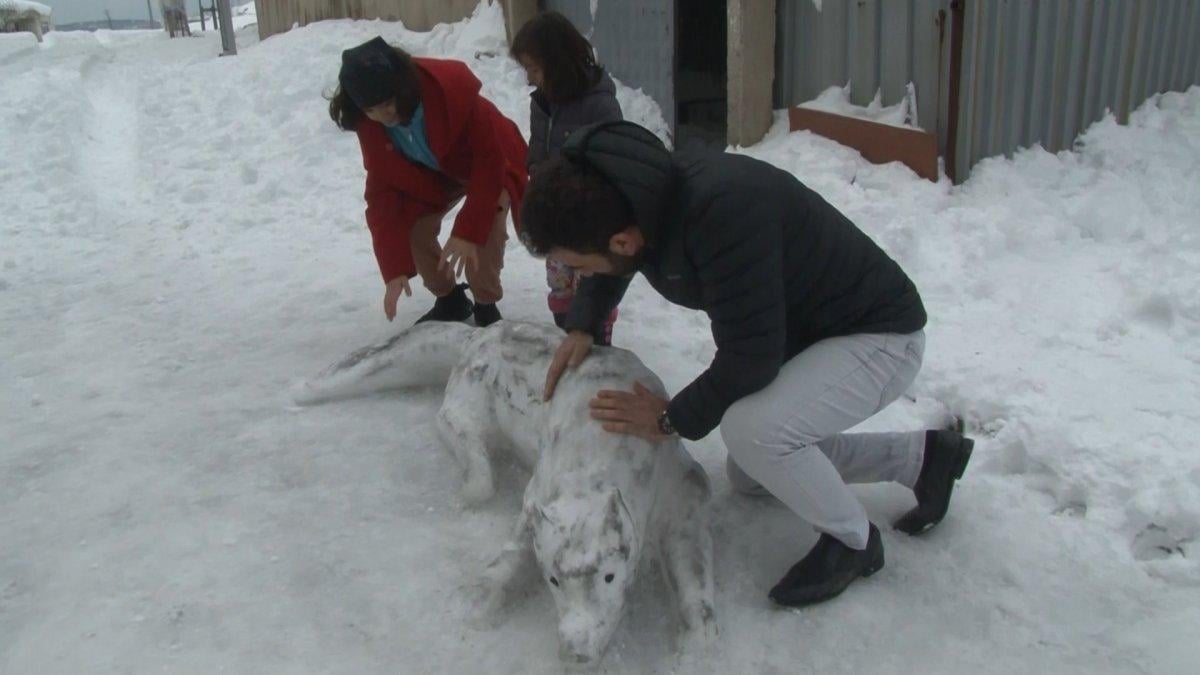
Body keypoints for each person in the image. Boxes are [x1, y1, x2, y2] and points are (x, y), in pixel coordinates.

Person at [521, 121, 975, 607]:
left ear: (623, 241)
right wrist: (583, 323)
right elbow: (612, 264)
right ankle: (923, 459)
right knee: (751, 472)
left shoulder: (721, 210)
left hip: (878, 338)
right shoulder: (642, 200)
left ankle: (854, 542)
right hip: (808, 333)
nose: (578, 276)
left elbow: (751, 355)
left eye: (578, 265)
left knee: (754, 433)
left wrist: (669, 418)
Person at [329, 37, 528, 327]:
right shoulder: (369, 122)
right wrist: (394, 269)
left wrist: (468, 230)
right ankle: (450, 300)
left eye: (387, 103)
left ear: (402, 87)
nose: (382, 116)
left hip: (493, 160)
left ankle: (487, 307)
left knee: (485, 228)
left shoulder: (450, 93)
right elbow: (381, 193)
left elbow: (489, 161)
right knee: (413, 229)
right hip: (436, 172)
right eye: (371, 110)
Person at [511, 11, 623, 345]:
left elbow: (613, 160)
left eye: (534, 68)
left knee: (590, 278)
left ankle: (597, 337)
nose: (530, 79)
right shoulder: (541, 103)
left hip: (589, 214)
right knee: (559, 278)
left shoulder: (598, 104)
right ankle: (566, 329)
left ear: (557, 61)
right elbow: (537, 148)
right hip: (555, 212)